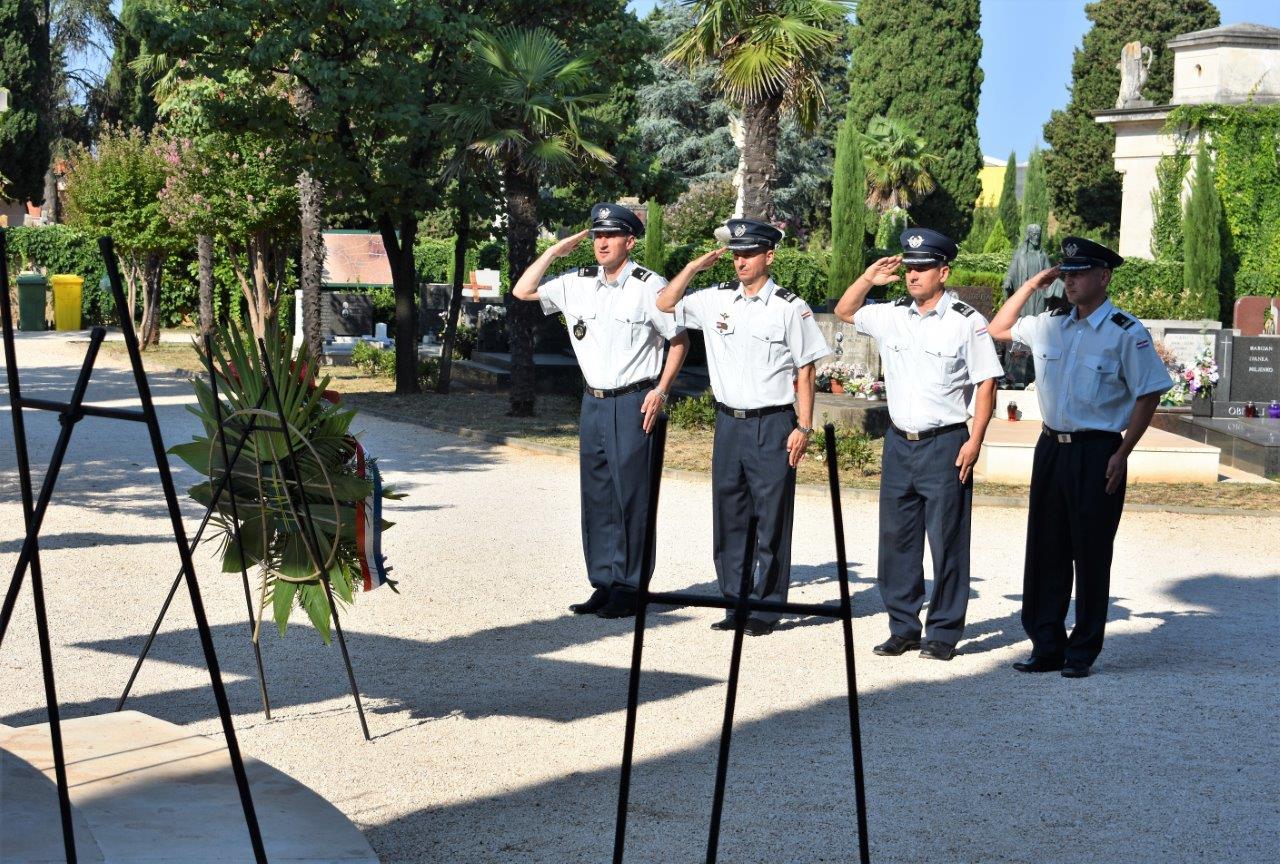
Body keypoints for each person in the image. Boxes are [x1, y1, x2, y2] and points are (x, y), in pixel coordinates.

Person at [987, 237, 1172, 678]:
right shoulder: (1051, 325)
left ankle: (1081, 650)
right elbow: (998, 327)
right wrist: (1034, 282)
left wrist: (1124, 451)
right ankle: (1046, 645)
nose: (1069, 280)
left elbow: (1149, 393)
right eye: (1065, 272)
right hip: (1052, 447)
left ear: (1104, 277)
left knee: (1090, 552)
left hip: (1097, 451)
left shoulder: (1126, 332)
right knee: (1045, 549)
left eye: (1079, 272)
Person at [512, 203, 689, 619]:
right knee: (597, 496)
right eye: (596, 236)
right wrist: (555, 252)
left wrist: (661, 391)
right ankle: (604, 582)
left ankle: (631, 585)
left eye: (610, 236)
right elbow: (522, 291)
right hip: (593, 402)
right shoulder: (578, 282)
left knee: (633, 496)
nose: (601, 242)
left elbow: (678, 340)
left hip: (634, 401)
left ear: (630, 241)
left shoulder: (649, 285)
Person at [833, 228, 1003, 661]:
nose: (912, 275)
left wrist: (975, 441)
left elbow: (986, 383)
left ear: (943, 272)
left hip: (945, 443)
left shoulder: (967, 321)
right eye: (909, 268)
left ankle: (943, 633)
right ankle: (903, 627)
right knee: (896, 540)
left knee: (946, 541)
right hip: (899, 443)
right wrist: (870, 277)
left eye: (923, 268)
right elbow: (845, 310)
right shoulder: (892, 314)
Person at [656, 219, 829, 636]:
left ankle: (767, 608)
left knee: (771, 519)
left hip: (772, 423)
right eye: (735, 254)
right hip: (728, 423)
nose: (740, 261)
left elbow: (806, 369)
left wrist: (804, 427)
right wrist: (695, 267)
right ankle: (734, 600)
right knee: (729, 516)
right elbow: (664, 303)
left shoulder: (790, 307)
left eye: (749, 253)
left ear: (769, 256)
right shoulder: (714, 299)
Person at [1001, 224, 1065, 387]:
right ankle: (1017, 374)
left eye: (1039, 235)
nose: (1038, 238)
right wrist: (1008, 282)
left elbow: (1049, 275)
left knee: (1036, 330)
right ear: (1029, 236)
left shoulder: (1042, 255)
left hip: (1037, 297)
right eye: (1035, 235)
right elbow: (1011, 272)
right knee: (1021, 331)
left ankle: (1033, 371)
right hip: (1024, 296)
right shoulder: (1020, 254)